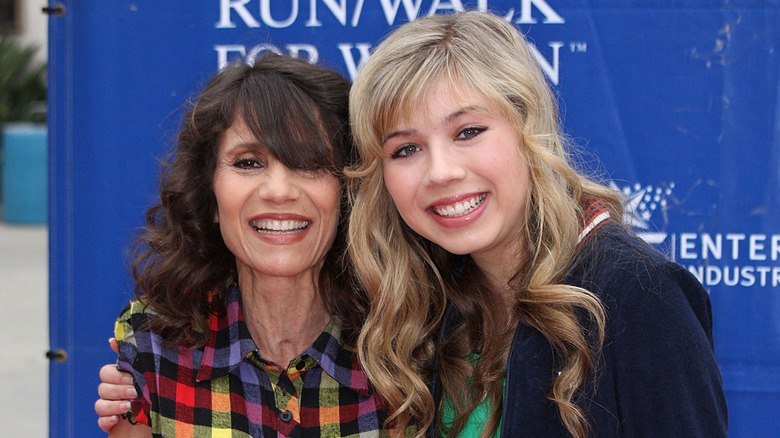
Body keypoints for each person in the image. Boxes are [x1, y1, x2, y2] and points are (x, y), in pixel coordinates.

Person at [346, 11, 728, 438]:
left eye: (468, 131)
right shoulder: (431, 300)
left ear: (529, 127)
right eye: (405, 149)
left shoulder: (639, 295)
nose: (440, 172)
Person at [96, 52, 396, 437]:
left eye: (309, 162)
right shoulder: (154, 341)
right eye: (248, 162)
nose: (278, 191)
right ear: (209, 195)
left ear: (348, 192)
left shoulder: (404, 344)